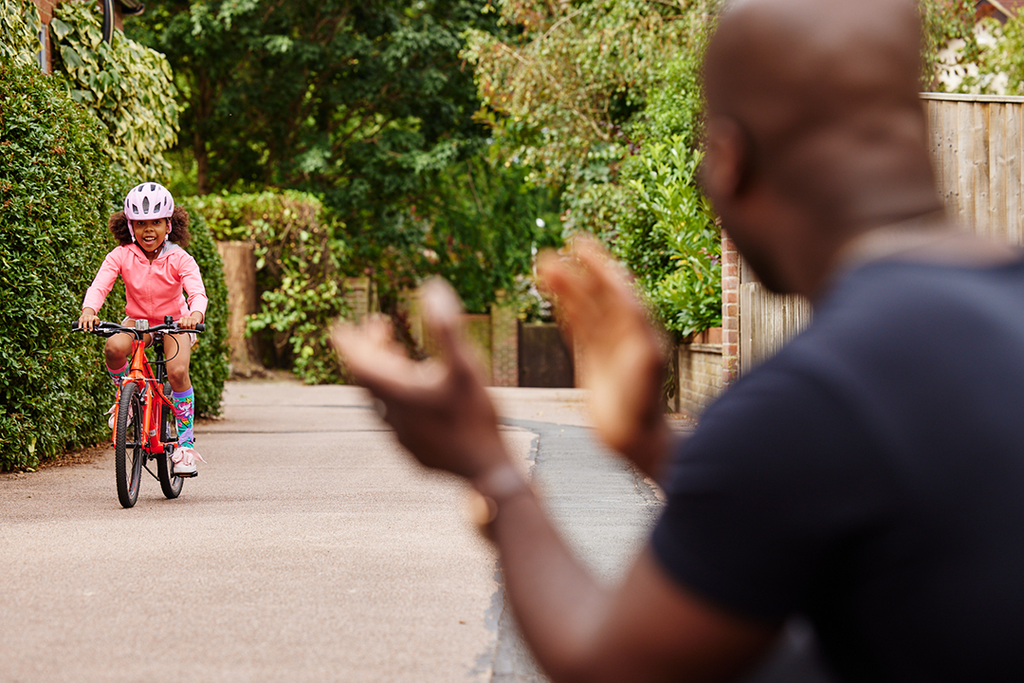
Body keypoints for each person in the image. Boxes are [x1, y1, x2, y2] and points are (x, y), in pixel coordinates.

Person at [332, 0, 1024, 680]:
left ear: (728, 160)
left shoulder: (815, 395)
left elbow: (608, 658)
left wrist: (492, 468)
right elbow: (828, 498)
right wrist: (651, 443)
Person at [78, 182, 208, 477]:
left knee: (176, 372)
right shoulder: (121, 255)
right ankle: (126, 400)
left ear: (169, 224)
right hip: (138, 322)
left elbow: (196, 291)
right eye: (140, 223)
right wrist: (89, 311)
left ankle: (185, 446)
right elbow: (101, 285)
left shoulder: (179, 258)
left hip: (175, 322)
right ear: (130, 226)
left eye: (156, 222)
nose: (148, 230)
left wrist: (195, 313)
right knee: (113, 347)